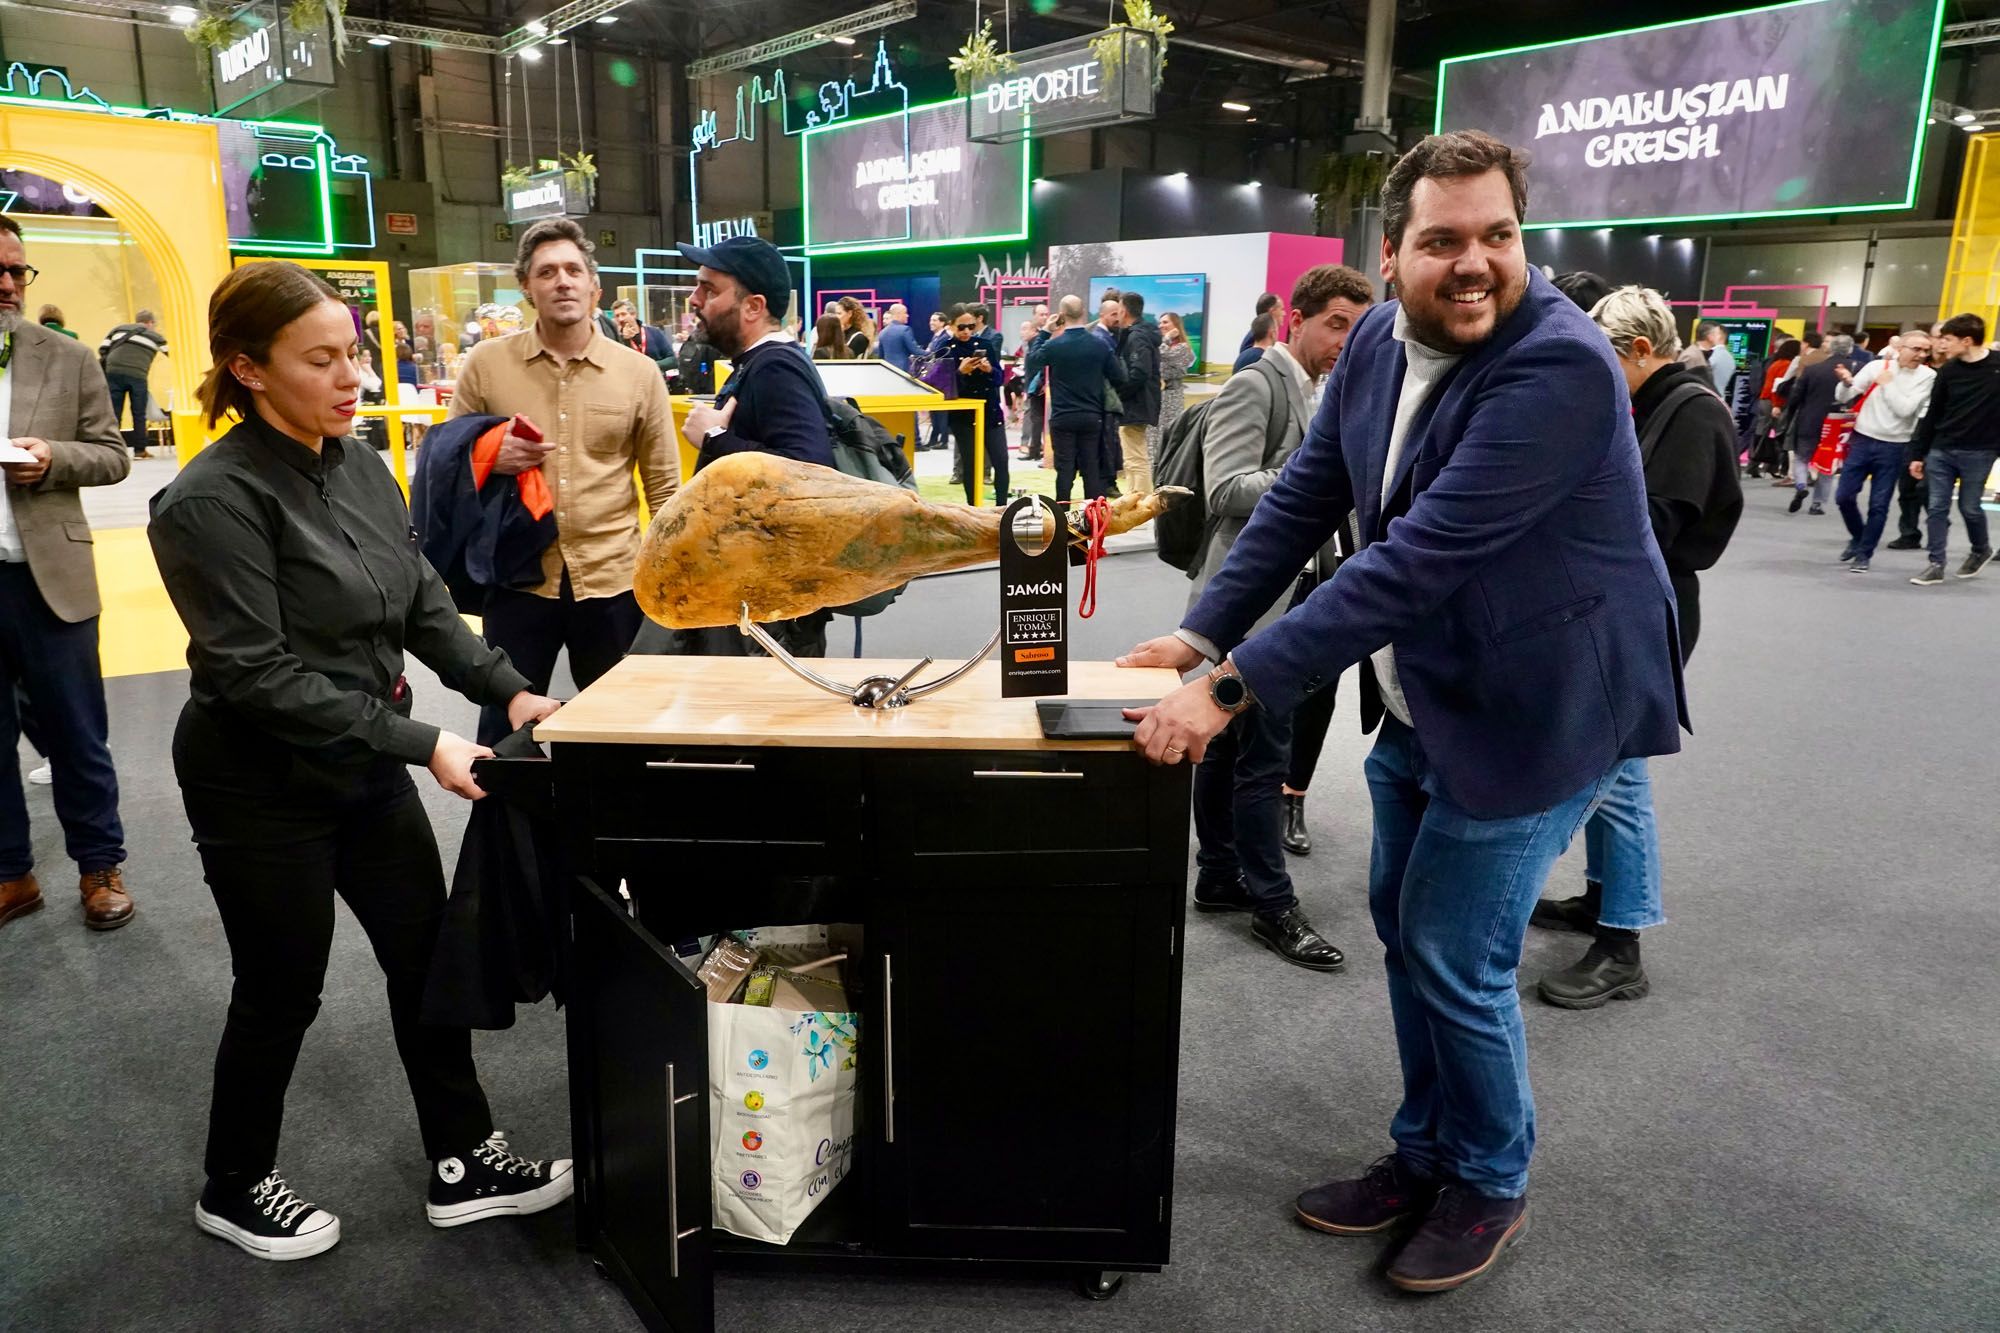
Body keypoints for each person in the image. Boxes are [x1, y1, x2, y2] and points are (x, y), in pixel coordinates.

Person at [1115, 131, 1686, 1292]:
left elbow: (1410, 562)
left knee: (1451, 951)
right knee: (1400, 925)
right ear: (1390, 254)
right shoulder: (1374, 338)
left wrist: (1224, 690)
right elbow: (1300, 498)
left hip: (1541, 703)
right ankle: (1424, 1148)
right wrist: (1197, 628)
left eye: (1498, 237)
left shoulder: (1561, 367)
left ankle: (1487, 1175)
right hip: (1423, 694)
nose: (1474, 263)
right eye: (1443, 241)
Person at [147, 260, 573, 1263]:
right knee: (281, 986)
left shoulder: (355, 459)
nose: (352, 378)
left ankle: (462, 1158)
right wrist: (426, 742)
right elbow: (258, 676)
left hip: (362, 766)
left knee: (426, 962)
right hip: (256, 782)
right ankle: (234, 1182)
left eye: (355, 353)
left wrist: (507, 687)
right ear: (248, 370)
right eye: (322, 359)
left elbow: (420, 600)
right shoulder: (206, 503)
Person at [1531, 285, 1742, 1009]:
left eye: (1606, 357)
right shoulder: (1657, 407)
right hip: (1626, 609)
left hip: (1650, 612)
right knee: (1616, 767)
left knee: (1619, 775)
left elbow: (1652, 524)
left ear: (1642, 351)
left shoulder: (1692, 415)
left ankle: (1623, 944)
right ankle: (1603, 901)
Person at [1184, 264, 1373, 973]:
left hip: (1295, 598)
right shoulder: (1254, 383)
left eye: (1357, 329)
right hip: (1251, 604)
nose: (1345, 341)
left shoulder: (1325, 389)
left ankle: (1217, 872)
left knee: (1230, 747)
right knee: (1264, 754)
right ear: (1297, 318)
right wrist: (1317, 468)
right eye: (1336, 325)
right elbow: (1224, 488)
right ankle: (1272, 904)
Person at [447, 218, 679, 743]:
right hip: (517, 581)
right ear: (527, 287)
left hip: (614, 582)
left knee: (620, 731)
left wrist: (671, 585)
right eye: (546, 271)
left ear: (595, 287)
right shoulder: (485, 366)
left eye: (574, 270)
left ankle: (609, 826)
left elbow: (664, 490)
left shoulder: (639, 374)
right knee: (501, 730)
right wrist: (487, 456)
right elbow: (447, 465)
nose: (562, 281)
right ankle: (503, 826)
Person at [0, 213, 137, 935]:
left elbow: (112, 454)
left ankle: (99, 867)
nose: (9, 282)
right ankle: (11, 874)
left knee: (76, 734)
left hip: (47, 574)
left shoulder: (67, 356)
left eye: (17, 270)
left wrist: (52, 456)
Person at [665, 235, 837, 657]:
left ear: (754, 307)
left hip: (770, 622)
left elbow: (813, 476)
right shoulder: (760, 365)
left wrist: (716, 439)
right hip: (756, 609)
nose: (694, 298)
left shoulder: (776, 367)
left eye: (709, 289)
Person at [1906, 312, 1999, 586]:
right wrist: (1917, 453)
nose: (1941, 345)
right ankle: (1936, 563)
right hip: (1942, 449)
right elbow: (1933, 413)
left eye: (1947, 339)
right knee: (1936, 507)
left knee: (1970, 507)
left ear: (1967, 340)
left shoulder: (1997, 367)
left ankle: (1980, 548)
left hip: (1980, 451)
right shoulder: (1948, 371)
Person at [1832, 327, 1935, 573]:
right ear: (1900, 349)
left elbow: (1905, 409)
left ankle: (1864, 555)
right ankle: (1858, 537)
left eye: (1925, 350)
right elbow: (1846, 393)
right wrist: (1846, 383)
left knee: (1879, 504)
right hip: (1862, 439)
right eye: (1916, 349)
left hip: (1896, 446)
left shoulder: (1928, 377)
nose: (1921, 354)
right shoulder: (1876, 367)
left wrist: (1887, 385)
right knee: (1843, 496)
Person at [1022, 295, 1126, 506]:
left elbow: (1032, 361)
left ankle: (1063, 522)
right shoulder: (1099, 345)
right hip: (1091, 415)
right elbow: (1120, 376)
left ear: (1061, 315)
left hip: (1062, 416)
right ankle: (1095, 522)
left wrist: (1044, 332)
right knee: (1091, 471)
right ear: (1084, 312)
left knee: (1065, 472)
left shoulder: (1055, 345)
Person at [933, 305, 1007, 504]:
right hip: (963, 416)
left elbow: (999, 378)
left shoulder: (985, 345)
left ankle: (1001, 507)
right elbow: (941, 388)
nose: (966, 331)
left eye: (970, 326)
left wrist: (989, 369)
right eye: (961, 327)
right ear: (952, 326)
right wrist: (959, 373)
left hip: (990, 411)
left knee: (1001, 462)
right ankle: (973, 507)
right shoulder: (945, 348)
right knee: (970, 464)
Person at [1783, 335, 1847, 515]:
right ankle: (1817, 504)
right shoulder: (1858, 368)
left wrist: (1790, 413)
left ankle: (1801, 484)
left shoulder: (1813, 370)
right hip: (1837, 423)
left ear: (1831, 349)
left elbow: (1796, 396)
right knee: (1827, 464)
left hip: (1809, 419)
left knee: (1802, 457)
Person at [99, 307, 168, 459]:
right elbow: (172, 353)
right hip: (137, 375)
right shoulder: (155, 336)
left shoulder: (118, 329)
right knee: (138, 413)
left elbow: (103, 348)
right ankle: (140, 451)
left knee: (114, 413)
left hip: (113, 373)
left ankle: (114, 451)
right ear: (150, 323)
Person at [1116, 290, 1162, 494]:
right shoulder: (1141, 334)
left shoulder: (1137, 337)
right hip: (1140, 403)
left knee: (1136, 458)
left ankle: (1142, 502)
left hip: (1136, 403)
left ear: (1124, 310)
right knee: (1132, 457)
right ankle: (1134, 499)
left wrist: (1121, 394)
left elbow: (1140, 372)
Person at [1749, 337, 1799, 478]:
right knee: (1778, 434)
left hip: (1764, 399)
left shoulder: (1775, 363)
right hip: (1774, 401)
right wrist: (1777, 405)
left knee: (1761, 432)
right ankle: (1773, 465)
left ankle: (1753, 464)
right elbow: (1779, 387)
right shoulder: (1787, 365)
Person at [1157, 311, 1195, 443]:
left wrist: (1167, 337)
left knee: (1168, 436)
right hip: (1158, 398)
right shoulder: (1166, 345)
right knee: (1154, 437)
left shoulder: (1182, 348)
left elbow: (1161, 353)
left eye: (1165, 322)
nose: (1161, 325)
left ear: (1176, 325)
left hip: (1171, 398)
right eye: (1160, 322)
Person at [611, 298, 674, 371]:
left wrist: (650, 365)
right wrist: (626, 341)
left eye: (623, 314)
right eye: (617, 316)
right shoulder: (616, 339)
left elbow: (672, 360)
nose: (620, 319)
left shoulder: (654, 332)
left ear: (633, 314)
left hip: (655, 379)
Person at [1695, 321, 1736, 399]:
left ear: (1720, 336)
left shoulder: (1710, 354)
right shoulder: (1731, 358)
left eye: (1714, 334)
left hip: (1704, 398)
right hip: (1719, 399)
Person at [876, 302, 921, 372]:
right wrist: (931, 354)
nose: (907, 315)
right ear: (899, 314)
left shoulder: (882, 332)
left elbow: (880, 356)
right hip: (902, 371)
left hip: (888, 371)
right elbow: (915, 350)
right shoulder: (905, 329)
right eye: (905, 313)